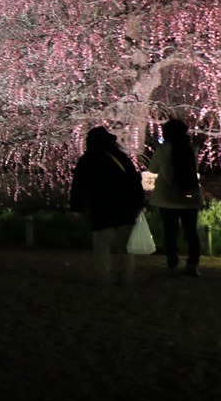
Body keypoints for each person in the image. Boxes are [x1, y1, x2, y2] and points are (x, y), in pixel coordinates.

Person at [69, 126, 145, 285]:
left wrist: (76, 207)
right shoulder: (122, 158)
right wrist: (139, 203)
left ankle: (103, 277)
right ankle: (126, 277)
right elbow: (134, 182)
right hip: (125, 207)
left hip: (101, 208)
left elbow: (79, 186)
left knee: (101, 246)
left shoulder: (87, 160)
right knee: (125, 246)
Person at [149, 117, 205, 277]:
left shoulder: (162, 150)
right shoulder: (191, 149)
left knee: (170, 234)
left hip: (168, 199)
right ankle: (193, 265)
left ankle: (172, 265)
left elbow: (152, 169)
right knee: (191, 233)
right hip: (189, 196)